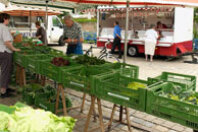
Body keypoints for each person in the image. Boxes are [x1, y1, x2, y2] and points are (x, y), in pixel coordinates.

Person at [0, 13, 20, 97]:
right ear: (5, 19)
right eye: (8, 19)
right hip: (5, 52)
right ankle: (3, 91)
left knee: (4, 70)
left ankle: (5, 87)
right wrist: (14, 49)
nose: (9, 20)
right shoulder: (4, 28)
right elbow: (6, 42)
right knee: (5, 71)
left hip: (1, 51)